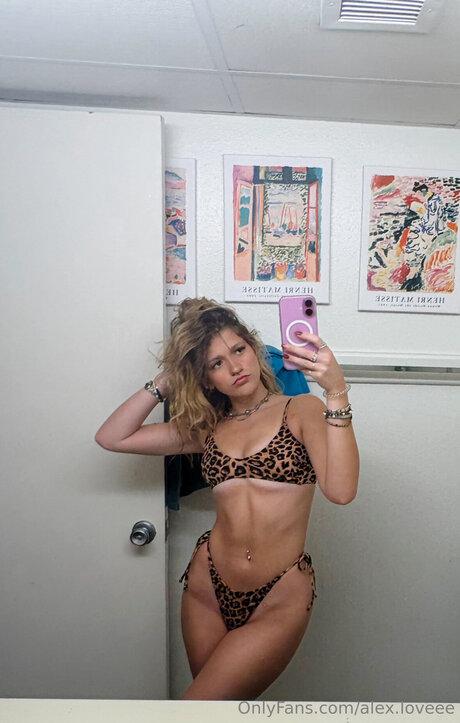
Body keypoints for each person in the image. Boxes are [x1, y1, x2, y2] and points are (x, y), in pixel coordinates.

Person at [95, 297, 359, 700]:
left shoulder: (300, 409)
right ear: (205, 378)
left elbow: (341, 492)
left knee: (196, 708)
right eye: (216, 363)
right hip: (207, 588)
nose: (235, 367)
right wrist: (165, 382)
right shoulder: (209, 428)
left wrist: (336, 391)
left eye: (239, 350)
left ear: (254, 349)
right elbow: (113, 437)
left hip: (279, 593)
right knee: (215, 713)